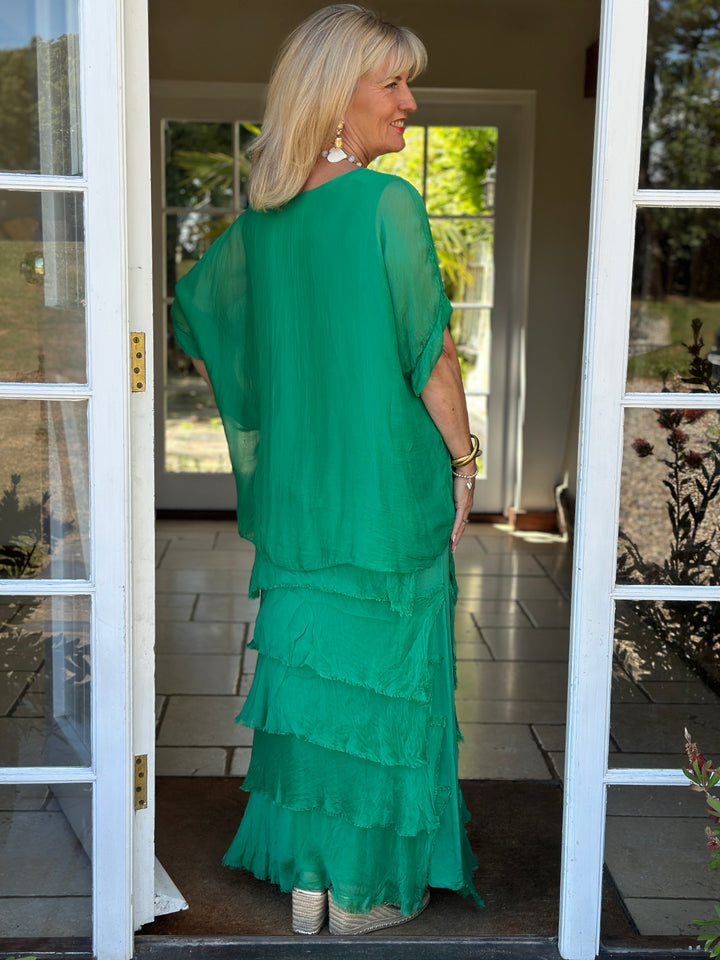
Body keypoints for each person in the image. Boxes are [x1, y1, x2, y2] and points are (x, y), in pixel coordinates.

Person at [172, 3, 483, 936]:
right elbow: (431, 356)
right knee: (386, 690)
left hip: (301, 501)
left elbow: (199, 320)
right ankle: (364, 892)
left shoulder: (262, 225)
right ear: (336, 97)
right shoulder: (386, 204)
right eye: (393, 83)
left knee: (311, 691)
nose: (410, 102)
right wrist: (466, 461)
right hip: (385, 493)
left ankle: (310, 880)